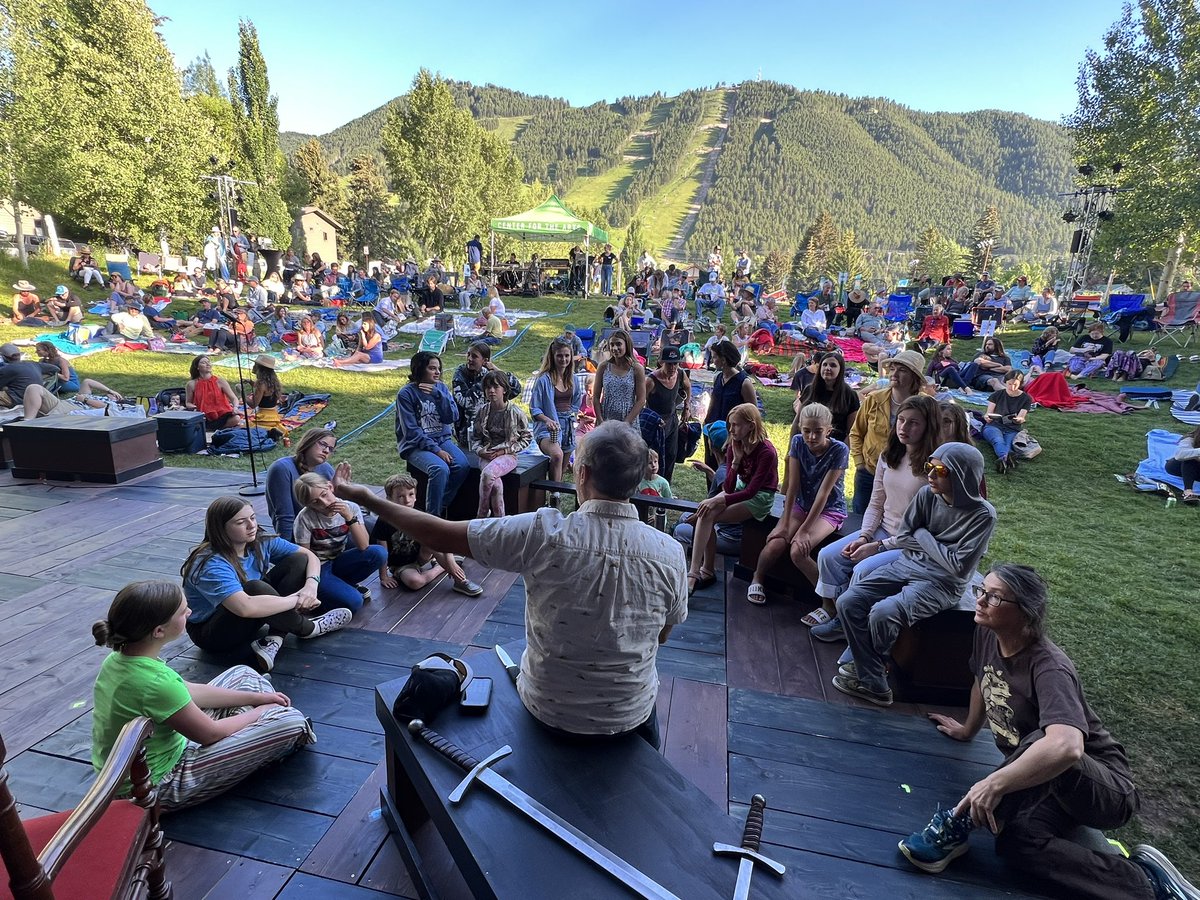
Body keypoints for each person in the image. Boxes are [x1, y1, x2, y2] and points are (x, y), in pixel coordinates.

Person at [333, 422, 688, 749]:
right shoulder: (671, 553)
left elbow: (436, 532)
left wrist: (366, 498)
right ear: (640, 477)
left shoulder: (543, 532)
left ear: (582, 473)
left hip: (550, 713)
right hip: (631, 716)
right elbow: (662, 636)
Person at [898, 565, 1198, 900]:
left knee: (1046, 740)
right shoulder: (987, 634)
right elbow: (983, 679)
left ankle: (958, 822)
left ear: (1025, 612)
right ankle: (1148, 883)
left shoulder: (1049, 667)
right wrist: (968, 729)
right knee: (1016, 844)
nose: (980, 600)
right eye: (982, 590)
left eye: (994, 597)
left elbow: (1067, 748)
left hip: (1103, 789)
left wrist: (991, 784)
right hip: (1044, 784)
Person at [91, 580, 313, 811]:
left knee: (243, 673)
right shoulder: (155, 683)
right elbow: (210, 734)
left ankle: (259, 733)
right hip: (153, 786)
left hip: (140, 762)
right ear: (159, 631)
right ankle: (270, 738)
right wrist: (260, 712)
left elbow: (185, 691)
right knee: (291, 722)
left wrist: (256, 699)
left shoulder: (120, 658)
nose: (189, 612)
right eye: (182, 611)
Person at [832, 442, 996, 707]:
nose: (930, 474)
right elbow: (906, 535)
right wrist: (924, 540)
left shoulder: (982, 515)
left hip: (943, 583)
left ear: (963, 474)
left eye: (940, 470)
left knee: (883, 612)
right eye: (929, 466)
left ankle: (871, 677)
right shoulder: (926, 495)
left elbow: (958, 567)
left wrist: (923, 534)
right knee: (848, 602)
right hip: (907, 565)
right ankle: (872, 674)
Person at [811, 395, 939, 633]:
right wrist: (864, 536)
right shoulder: (889, 455)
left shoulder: (933, 469)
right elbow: (876, 502)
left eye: (914, 423)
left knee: (863, 569)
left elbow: (927, 529)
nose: (904, 427)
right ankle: (834, 610)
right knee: (829, 556)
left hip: (910, 544)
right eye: (901, 420)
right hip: (883, 531)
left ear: (928, 426)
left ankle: (854, 627)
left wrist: (878, 547)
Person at [182, 497, 352, 673]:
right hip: (213, 633)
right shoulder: (210, 563)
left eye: (253, 517)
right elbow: (244, 608)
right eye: (241, 522)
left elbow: (309, 556)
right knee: (254, 588)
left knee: (298, 561)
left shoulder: (259, 541)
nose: (251, 525)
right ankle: (308, 628)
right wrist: (298, 600)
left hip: (250, 615)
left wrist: (311, 586)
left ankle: (274, 638)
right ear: (221, 528)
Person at [747, 403, 847, 606]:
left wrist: (804, 530)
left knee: (798, 551)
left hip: (829, 509)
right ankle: (758, 577)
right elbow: (792, 485)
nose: (811, 437)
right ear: (800, 428)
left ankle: (829, 604)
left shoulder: (839, 450)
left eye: (818, 432)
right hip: (802, 503)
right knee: (777, 541)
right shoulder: (798, 442)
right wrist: (784, 523)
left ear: (829, 430)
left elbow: (823, 494)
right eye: (807, 431)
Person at [686, 403, 779, 595]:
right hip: (740, 488)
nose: (731, 429)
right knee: (706, 512)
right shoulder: (734, 445)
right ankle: (700, 570)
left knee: (708, 513)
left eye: (736, 425)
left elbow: (752, 492)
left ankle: (700, 571)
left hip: (761, 495)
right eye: (730, 424)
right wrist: (736, 461)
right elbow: (728, 487)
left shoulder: (766, 452)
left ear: (751, 425)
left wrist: (718, 501)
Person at [371, 474, 482, 595]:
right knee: (415, 582)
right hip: (401, 565)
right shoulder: (384, 520)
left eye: (410, 494)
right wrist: (384, 577)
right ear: (389, 499)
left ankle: (461, 581)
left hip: (420, 556)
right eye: (400, 496)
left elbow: (442, 538)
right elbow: (383, 551)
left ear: (415, 497)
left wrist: (450, 562)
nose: (407, 500)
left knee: (435, 544)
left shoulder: (419, 515)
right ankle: (440, 567)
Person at [292, 472, 388, 611]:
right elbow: (305, 556)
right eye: (315, 502)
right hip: (319, 567)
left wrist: (349, 517)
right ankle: (318, 599)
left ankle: (343, 584)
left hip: (339, 560)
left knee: (379, 553)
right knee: (355, 602)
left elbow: (364, 545)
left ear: (330, 487)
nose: (324, 503)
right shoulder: (304, 518)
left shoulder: (351, 508)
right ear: (307, 504)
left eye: (324, 495)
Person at [848, 350, 925, 514]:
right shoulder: (874, 399)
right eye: (892, 368)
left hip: (906, 477)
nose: (894, 373)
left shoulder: (926, 405)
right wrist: (860, 463)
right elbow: (856, 432)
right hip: (869, 471)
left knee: (896, 521)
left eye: (902, 370)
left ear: (914, 377)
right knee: (861, 520)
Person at [395, 351, 467, 518]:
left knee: (462, 466)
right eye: (432, 368)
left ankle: (439, 507)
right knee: (439, 469)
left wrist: (438, 396)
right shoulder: (406, 394)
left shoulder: (440, 388)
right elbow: (411, 432)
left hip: (441, 439)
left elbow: (452, 417)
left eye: (439, 368)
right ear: (420, 370)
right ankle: (432, 517)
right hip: (415, 445)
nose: (437, 372)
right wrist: (437, 451)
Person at [471, 370, 533, 519]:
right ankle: (501, 520)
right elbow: (475, 438)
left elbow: (527, 437)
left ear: (504, 389)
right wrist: (480, 451)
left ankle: (482, 513)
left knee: (487, 474)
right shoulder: (482, 411)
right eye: (488, 387)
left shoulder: (516, 412)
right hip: (487, 454)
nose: (491, 391)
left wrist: (506, 450)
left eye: (495, 387)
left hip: (508, 456)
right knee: (496, 485)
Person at [529, 337, 583, 485]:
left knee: (562, 468)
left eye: (566, 355)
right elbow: (534, 408)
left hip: (567, 426)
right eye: (559, 355)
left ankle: (554, 498)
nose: (563, 359)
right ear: (552, 357)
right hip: (548, 428)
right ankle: (554, 494)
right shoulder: (544, 380)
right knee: (557, 455)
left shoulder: (573, 379)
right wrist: (547, 420)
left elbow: (577, 399)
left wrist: (573, 414)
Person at [267, 430, 336, 541]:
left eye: (331, 449)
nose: (326, 451)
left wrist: (342, 489)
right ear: (309, 442)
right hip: (300, 538)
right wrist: (286, 551)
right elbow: (285, 517)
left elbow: (338, 506)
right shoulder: (282, 468)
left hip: (332, 532)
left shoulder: (326, 468)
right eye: (323, 444)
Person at [451, 341, 522, 448]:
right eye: (468, 354)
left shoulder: (489, 373)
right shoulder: (460, 373)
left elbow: (515, 389)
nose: (469, 359)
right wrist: (485, 380)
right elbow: (465, 401)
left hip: (494, 430)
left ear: (485, 361)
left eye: (474, 356)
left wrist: (497, 372)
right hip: (468, 431)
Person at [703, 340, 758, 468]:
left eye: (715, 357)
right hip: (713, 430)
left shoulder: (744, 383)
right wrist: (706, 422)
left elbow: (753, 413)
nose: (713, 359)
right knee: (711, 467)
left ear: (724, 359)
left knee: (728, 469)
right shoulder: (718, 378)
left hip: (732, 433)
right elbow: (713, 401)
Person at [644, 346, 692, 483]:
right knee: (654, 458)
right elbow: (641, 403)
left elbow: (688, 386)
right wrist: (652, 419)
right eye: (669, 364)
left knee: (671, 455)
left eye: (675, 363)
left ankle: (666, 487)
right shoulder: (651, 381)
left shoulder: (681, 374)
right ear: (661, 362)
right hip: (655, 425)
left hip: (671, 421)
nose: (672, 367)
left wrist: (687, 406)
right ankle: (651, 486)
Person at [795, 352, 859, 442]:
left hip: (834, 448)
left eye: (833, 365)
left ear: (840, 369)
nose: (827, 368)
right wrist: (790, 450)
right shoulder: (810, 389)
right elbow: (797, 421)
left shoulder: (849, 395)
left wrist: (842, 451)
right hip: (807, 444)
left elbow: (852, 431)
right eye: (824, 365)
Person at [593, 329, 647, 425]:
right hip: (606, 419)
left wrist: (626, 422)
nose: (615, 348)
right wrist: (600, 420)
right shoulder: (603, 367)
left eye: (618, 344)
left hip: (628, 420)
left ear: (626, 345)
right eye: (612, 345)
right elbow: (596, 397)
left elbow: (641, 400)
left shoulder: (636, 368)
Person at [982, 370, 1033, 473]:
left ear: (1020, 384)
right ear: (1005, 382)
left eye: (1015, 385)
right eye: (1010, 384)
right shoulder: (997, 395)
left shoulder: (1026, 398)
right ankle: (1006, 458)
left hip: (1012, 428)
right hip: (994, 426)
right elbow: (988, 413)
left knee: (1008, 444)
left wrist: (1019, 419)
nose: (1012, 387)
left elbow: (1022, 417)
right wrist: (987, 417)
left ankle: (1003, 460)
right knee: (998, 440)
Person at [185, 354, 242, 430]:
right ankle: (213, 428)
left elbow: (234, 398)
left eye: (209, 362)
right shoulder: (191, 384)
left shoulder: (220, 381)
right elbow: (188, 403)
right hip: (204, 416)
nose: (208, 364)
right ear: (197, 367)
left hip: (222, 414)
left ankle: (211, 428)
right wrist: (195, 408)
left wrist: (235, 407)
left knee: (236, 418)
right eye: (204, 362)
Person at [0, 342, 61, 409]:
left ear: (4, 357)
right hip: (35, 398)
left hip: (18, 399)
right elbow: (56, 368)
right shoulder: (33, 364)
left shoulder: (7, 369)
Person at [247, 354, 284, 432]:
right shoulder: (272, 381)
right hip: (273, 416)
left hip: (264, 418)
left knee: (245, 429)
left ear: (260, 368)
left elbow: (253, 404)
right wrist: (251, 382)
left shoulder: (261, 383)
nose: (253, 366)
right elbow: (265, 390)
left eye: (255, 365)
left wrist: (242, 394)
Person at [1166, 425, 1200, 504]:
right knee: (1189, 458)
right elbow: (1179, 455)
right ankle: (1188, 492)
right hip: (1182, 467)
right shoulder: (1191, 439)